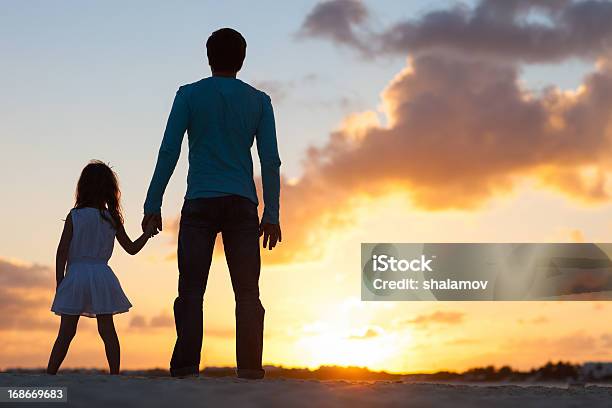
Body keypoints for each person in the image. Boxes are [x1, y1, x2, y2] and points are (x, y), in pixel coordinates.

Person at [142, 27, 282, 379]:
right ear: (242, 58)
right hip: (242, 204)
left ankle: (187, 368)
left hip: (200, 202)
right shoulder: (259, 100)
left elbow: (169, 150)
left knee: (190, 290)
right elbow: (270, 161)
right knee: (248, 292)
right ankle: (249, 370)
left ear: (208, 57)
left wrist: (152, 203)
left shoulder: (189, 95)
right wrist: (273, 212)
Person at [47, 160, 157, 375]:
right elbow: (132, 248)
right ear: (109, 189)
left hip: (76, 275)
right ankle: (114, 374)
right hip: (102, 276)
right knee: (107, 330)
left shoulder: (75, 216)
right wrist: (147, 233)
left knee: (66, 332)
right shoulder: (111, 218)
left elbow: (62, 251)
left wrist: (60, 281)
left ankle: (50, 374)